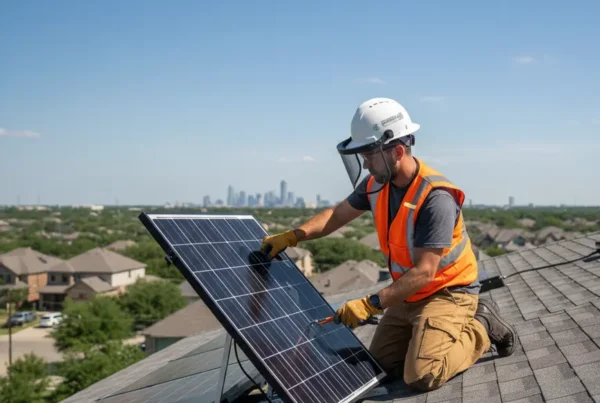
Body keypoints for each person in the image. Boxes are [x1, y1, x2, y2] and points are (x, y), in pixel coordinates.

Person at [260, 97, 518, 392]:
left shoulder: (436, 197)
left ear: (396, 150)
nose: (366, 164)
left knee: (422, 375)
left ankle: (482, 324)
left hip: (448, 293)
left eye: (369, 155)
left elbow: (424, 272)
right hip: (408, 295)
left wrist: (371, 304)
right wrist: (294, 236)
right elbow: (335, 215)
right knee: (380, 369)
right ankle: (424, 335)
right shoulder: (375, 184)